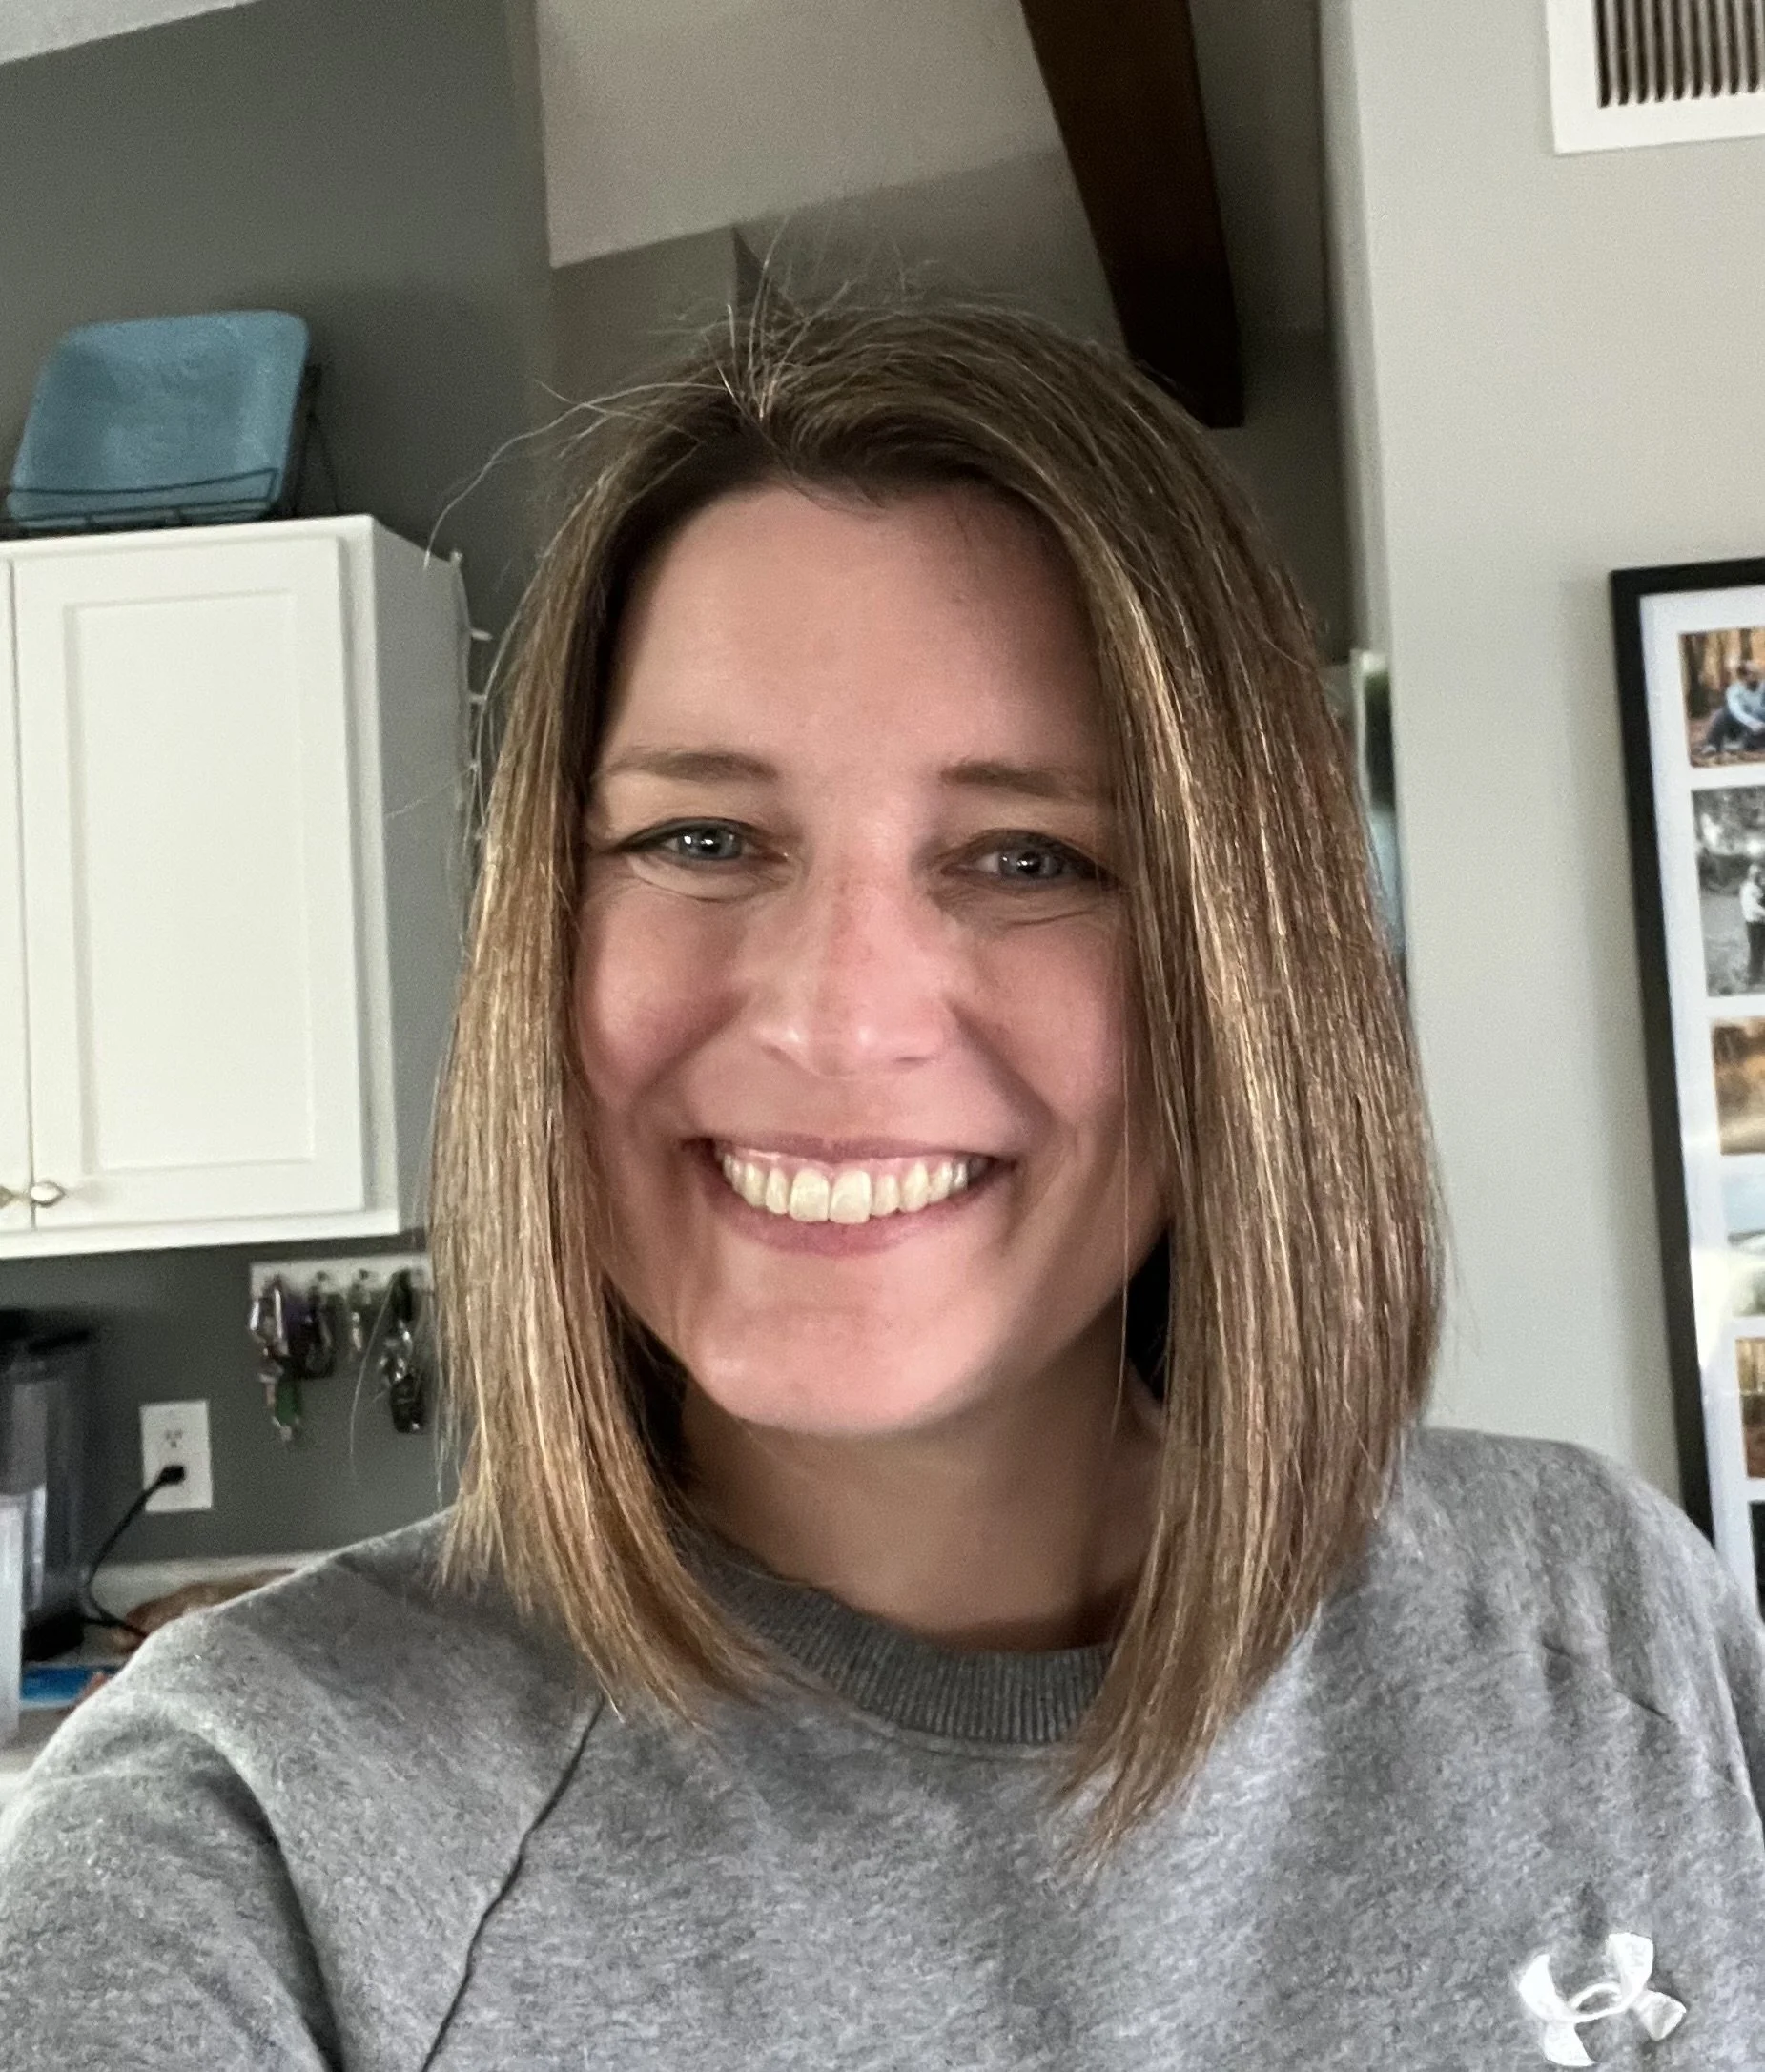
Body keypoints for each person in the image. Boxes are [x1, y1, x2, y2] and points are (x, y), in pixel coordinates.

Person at [2, 301, 1763, 2069]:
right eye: (700, 839)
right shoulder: (243, 1848)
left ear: (1248, 972)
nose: (834, 1017)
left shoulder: (1605, 1618)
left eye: (1028, 857)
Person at [1700, 658, 1765, 757]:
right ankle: (1712, 745)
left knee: (1757, 736)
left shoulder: (1763, 687)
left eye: (1755, 672)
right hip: (1741, 724)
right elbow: (1736, 710)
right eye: (1748, 673)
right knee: (1722, 713)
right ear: (1742, 676)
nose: (1753, 676)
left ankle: (1741, 745)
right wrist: (1752, 723)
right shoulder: (1733, 690)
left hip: (1761, 724)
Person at [1742, 860, 1765, 992]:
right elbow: (1753, 907)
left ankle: (1758, 973)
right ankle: (1752, 977)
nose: (1758, 875)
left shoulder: (1757, 887)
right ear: (1750, 874)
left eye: (1760, 873)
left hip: (1760, 923)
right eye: (1756, 873)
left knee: (1760, 950)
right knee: (1755, 950)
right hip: (1754, 924)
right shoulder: (1748, 889)